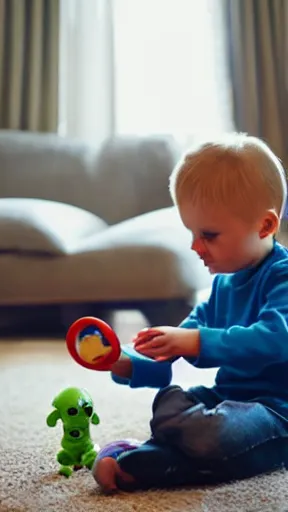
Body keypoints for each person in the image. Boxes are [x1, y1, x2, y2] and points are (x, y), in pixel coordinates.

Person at [92, 132, 288, 493]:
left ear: (265, 225)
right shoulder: (223, 285)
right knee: (173, 400)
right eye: (192, 232)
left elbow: (276, 340)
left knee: (218, 433)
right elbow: (173, 350)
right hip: (227, 400)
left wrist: (195, 341)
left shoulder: (282, 276)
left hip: (277, 412)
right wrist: (124, 362)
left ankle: (151, 460)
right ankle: (156, 459)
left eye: (209, 235)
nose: (195, 246)